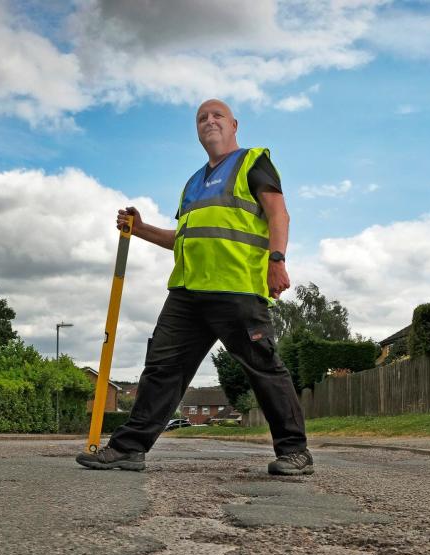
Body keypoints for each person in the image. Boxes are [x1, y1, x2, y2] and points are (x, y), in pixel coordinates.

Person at [76, 98, 312, 476]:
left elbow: (278, 212)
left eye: (217, 115)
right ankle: (129, 448)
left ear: (235, 125)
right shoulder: (192, 184)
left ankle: (295, 452)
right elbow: (182, 238)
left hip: (236, 290)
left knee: (263, 368)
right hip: (186, 293)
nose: (209, 121)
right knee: (161, 369)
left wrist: (277, 259)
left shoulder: (253, 162)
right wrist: (141, 230)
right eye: (202, 117)